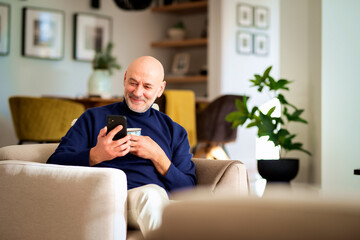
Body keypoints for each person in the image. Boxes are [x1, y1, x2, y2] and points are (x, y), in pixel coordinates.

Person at [47, 56, 197, 236]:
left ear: (160, 89)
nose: (138, 92)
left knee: (156, 198)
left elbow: (189, 190)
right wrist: (96, 155)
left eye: (147, 86)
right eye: (133, 83)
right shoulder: (92, 118)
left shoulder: (174, 131)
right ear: (124, 78)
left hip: (153, 201)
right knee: (148, 196)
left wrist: (158, 156)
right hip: (108, 199)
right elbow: (53, 164)